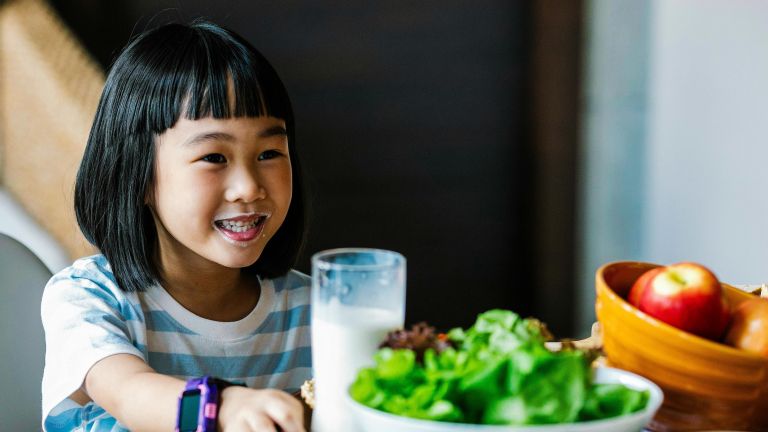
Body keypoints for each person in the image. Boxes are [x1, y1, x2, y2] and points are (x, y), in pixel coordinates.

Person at [41, 21, 310, 432]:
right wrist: (222, 408)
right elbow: (130, 393)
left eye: (270, 152)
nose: (249, 188)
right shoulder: (89, 298)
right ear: (139, 175)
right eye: (214, 157)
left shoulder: (319, 310)